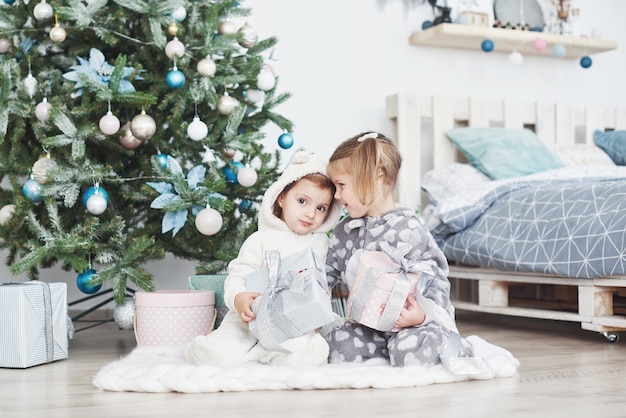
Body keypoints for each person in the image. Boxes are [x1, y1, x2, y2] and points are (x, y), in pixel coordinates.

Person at [323, 131, 519, 377]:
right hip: (370, 325)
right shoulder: (344, 232)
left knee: (412, 354)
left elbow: (435, 279)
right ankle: (384, 351)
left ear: (376, 176)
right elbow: (326, 274)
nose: (336, 196)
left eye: (341, 185)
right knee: (340, 344)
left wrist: (422, 316)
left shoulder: (408, 229)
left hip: (414, 323)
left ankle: (459, 347)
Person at [185, 150, 343, 367]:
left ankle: (268, 353)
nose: (310, 213)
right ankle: (235, 350)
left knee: (305, 354)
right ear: (281, 198)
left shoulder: (321, 243)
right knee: (219, 352)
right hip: (248, 318)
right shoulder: (260, 239)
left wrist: (315, 315)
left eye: (321, 208)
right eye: (302, 201)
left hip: (291, 319)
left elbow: (323, 284)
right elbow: (238, 274)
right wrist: (239, 298)